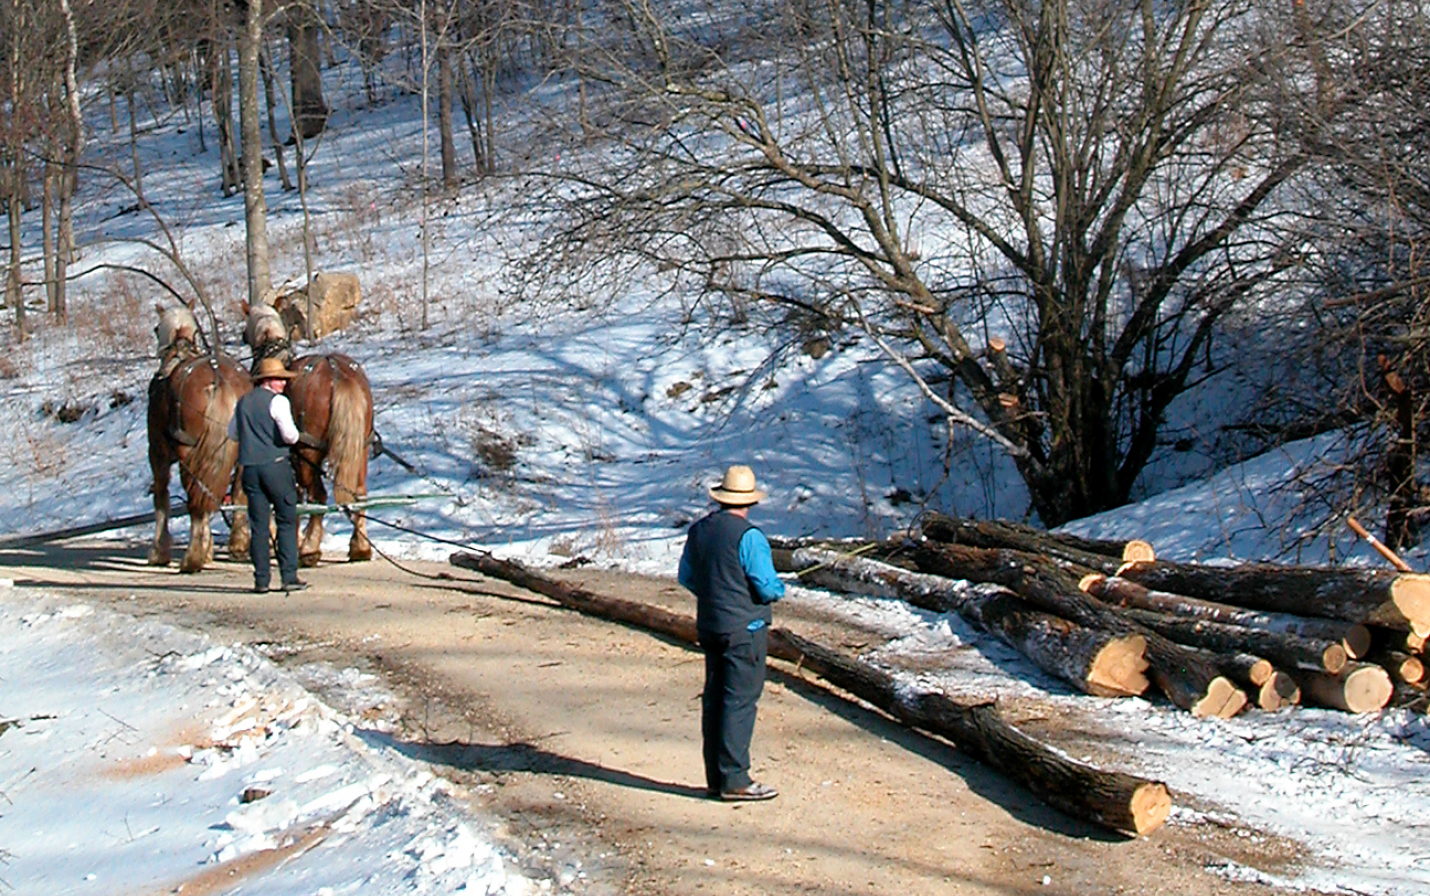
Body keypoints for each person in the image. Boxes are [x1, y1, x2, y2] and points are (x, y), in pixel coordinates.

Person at [677, 464, 785, 801]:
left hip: (710, 626)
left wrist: (714, 595)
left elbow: (686, 577)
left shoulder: (698, 531)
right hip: (745, 631)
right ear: (749, 502)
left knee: (715, 701)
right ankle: (736, 779)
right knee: (739, 701)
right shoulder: (750, 536)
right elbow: (767, 587)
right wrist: (779, 588)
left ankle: (717, 778)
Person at [229, 357, 308, 594]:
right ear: (268, 381)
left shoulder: (242, 402)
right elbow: (290, 436)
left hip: (250, 469)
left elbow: (232, 433)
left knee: (259, 526)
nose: (283, 383)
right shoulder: (278, 402)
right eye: (280, 379)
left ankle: (261, 580)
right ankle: (289, 575)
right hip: (275, 467)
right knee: (285, 520)